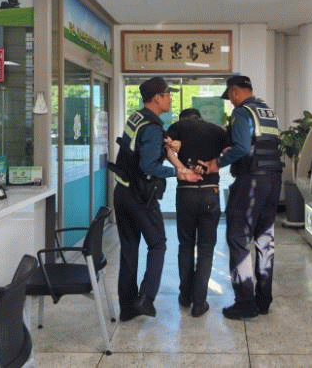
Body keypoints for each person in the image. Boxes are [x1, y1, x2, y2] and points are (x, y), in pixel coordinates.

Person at [111, 77, 201, 322]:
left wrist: (164, 145)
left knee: (129, 249)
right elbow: (148, 166)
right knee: (158, 243)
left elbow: (136, 150)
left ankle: (127, 307)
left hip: (122, 192)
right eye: (168, 94)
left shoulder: (137, 118)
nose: (170, 98)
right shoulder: (152, 127)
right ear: (157, 98)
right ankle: (146, 298)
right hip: (140, 196)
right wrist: (178, 172)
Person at [199, 75, 283, 320]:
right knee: (265, 239)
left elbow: (243, 148)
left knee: (238, 237)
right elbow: (259, 145)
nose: (230, 102)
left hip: (252, 182)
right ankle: (263, 300)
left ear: (235, 91)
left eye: (229, 97)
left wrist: (217, 163)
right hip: (273, 180)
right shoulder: (267, 112)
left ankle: (245, 303)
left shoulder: (242, 112)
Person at [166, 108, 229, 317]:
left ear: (183, 119)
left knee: (185, 245)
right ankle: (199, 303)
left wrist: (182, 169)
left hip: (186, 193)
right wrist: (214, 165)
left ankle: (185, 296)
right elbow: (232, 150)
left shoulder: (178, 127)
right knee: (206, 248)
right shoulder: (216, 131)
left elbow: (166, 148)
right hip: (210, 192)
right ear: (200, 118)